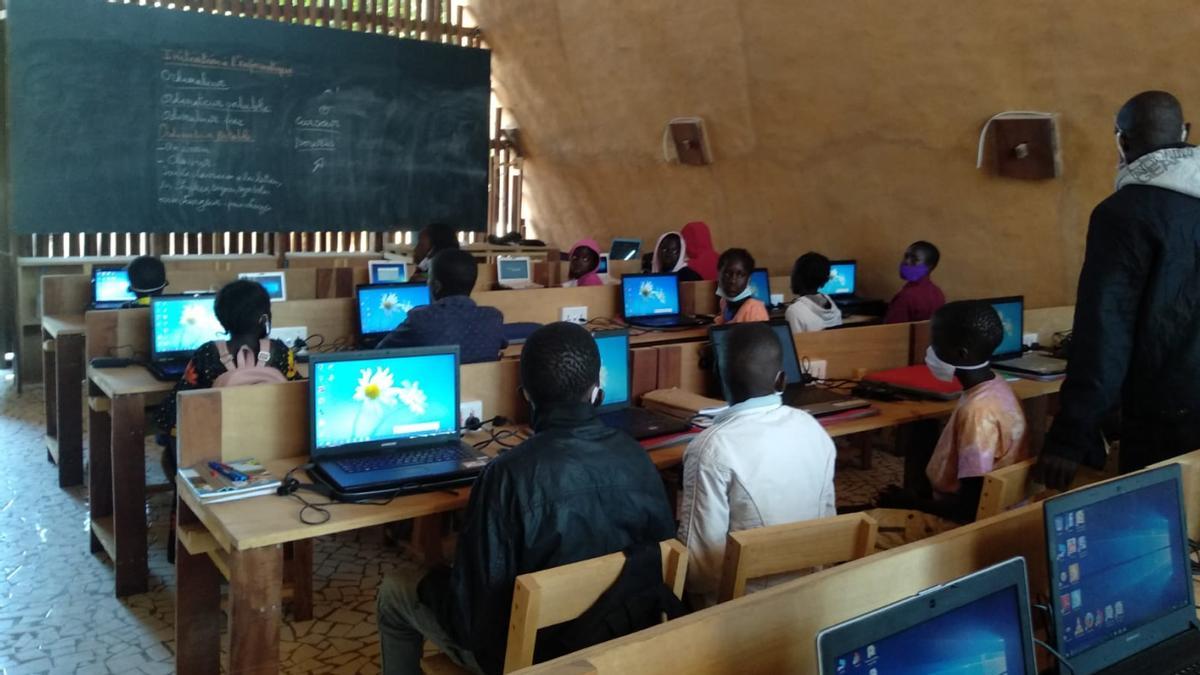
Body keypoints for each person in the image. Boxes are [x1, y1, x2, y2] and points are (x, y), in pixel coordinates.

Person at [376, 322, 675, 675]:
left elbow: (474, 617)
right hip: (623, 637)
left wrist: (437, 583)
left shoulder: (505, 476)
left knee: (396, 590)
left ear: (526, 396)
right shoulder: (637, 457)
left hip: (531, 656)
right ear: (598, 392)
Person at [1038, 90, 1200, 487]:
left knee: (1157, 529)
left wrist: (1071, 433)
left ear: (1122, 142)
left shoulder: (1123, 214)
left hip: (1165, 412)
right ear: (1186, 132)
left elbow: (1105, 329)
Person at [678, 322, 836, 607]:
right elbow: (828, 523)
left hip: (740, 611)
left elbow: (700, 571)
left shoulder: (710, 448)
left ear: (722, 376)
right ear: (781, 380)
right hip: (812, 598)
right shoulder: (813, 429)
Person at [879, 301, 1028, 522]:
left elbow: (968, 511)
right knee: (922, 430)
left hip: (967, 521)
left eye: (936, 342)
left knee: (857, 524)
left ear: (961, 353)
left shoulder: (976, 413)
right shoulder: (997, 385)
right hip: (1004, 506)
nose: (930, 349)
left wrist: (908, 504)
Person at [154, 280, 301, 474]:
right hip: (273, 452)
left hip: (220, 457)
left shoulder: (208, 354)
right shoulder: (281, 352)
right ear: (264, 317)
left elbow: (176, 409)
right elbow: (298, 391)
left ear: (221, 318)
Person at [376, 249, 507, 362]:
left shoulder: (421, 318)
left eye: (429, 278)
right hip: (482, 389)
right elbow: (502, 344)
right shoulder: (493, 317)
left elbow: (381, 352)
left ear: (436, 286)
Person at [882, 240, 945, 323]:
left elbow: (892, 331)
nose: (906, 262)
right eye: (906, 256)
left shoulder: (906, 297)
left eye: (915, 259)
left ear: (929, 267)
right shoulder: (938, 293)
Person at [785, 252, 843, 333]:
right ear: (824, 279)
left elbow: (795, 344)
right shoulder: (830, 303)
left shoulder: (794, 311)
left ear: (796, 277)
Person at [714, 248, 769, 325]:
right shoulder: (724, 302)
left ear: (749, 279)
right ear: (719, 274)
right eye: (727, 273)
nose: (733, 281)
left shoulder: (754, 309)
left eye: (740, 275)